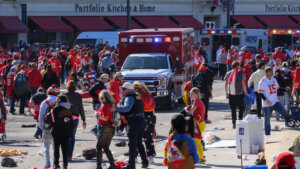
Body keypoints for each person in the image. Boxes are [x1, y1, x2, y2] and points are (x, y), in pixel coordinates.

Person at [115, 82, 148, 169]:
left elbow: (127, 108)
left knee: (132, 144)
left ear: (128, 90)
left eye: (123, 89)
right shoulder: (137, 96)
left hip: (134, 122)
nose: (122, 91)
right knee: (139, 142)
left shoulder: (129, 97)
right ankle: (145, 161)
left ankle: (131, 165)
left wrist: (115, 108)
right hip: (141, 121)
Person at [258, 67, 290, 136]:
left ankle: (288, 123)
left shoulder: (273, 79)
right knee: (267, 121)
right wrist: (267, 101)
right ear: (267, 73)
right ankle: (267, 134)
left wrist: (285, 89)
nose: (272, 73)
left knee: (284, 112)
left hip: (275, 101)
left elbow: (278, 89)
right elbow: (260, 94)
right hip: (267, 104)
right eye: (271, 71)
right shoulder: (262, 81)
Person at [133, 82, 156, 164]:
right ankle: (151, 157)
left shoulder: (138, 97)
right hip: (151, 117)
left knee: (136, 137)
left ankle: (135, 156)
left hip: (142, 117)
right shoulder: (150, 95)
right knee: (148, 138)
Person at [50, 94, 74, 169]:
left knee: (56, 148)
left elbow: (50, 119)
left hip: (57, 130)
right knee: (65, 149)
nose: (56, 101)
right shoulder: (69, 109)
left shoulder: (55, 108)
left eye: (57, 99)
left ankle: (56, 164)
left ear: (60, 100)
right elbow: (71, 121)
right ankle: (65, 165)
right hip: (66, 131)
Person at [65, 80, 86, 161]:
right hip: (75, 117)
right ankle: (70, 154)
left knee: (67, 136)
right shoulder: (78, 95)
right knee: (72, 135)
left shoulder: (64, 95)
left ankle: (67, 154)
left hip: (66, 116)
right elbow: (81, 108)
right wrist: (84, 120)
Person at [39, 85, 59, 168]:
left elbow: (40, 117)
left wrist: (41, 127)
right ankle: (55, 163)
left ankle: (47, 162)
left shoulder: (44, 102)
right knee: (55, 146)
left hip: (46, 127)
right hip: (56, 127)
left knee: (46, 145)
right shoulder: (59, 101)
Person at [225, 61, 250, 128]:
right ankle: (240, 121)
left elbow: (226, 84)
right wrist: (246, 92)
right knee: (241, 108)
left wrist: (226, 93)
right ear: (237, 66)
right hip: (239, 93)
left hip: (231, 94)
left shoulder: (228, 73)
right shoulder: (241, 73)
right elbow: (243, 83)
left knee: (233, 110)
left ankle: (234, 124)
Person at [96, 90, 116, 169]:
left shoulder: (105, 106)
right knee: (106, 147)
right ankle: (112, 165)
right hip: (110, 128)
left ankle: (98, 166)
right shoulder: (111, 106)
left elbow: (105, 118)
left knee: (99, 147)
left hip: (104, 128)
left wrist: (97, 115)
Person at [188, 87, 206, 164]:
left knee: (197, 142)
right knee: (196, 141)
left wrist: (186, 110)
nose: (190, 95)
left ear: (196, 94)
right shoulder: (197, 101)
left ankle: (201, 158)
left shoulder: (197, 102)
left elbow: (191, 112)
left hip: (199, 125)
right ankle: (200, 157)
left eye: (191, 94)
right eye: (190, 94)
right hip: (199, 124)